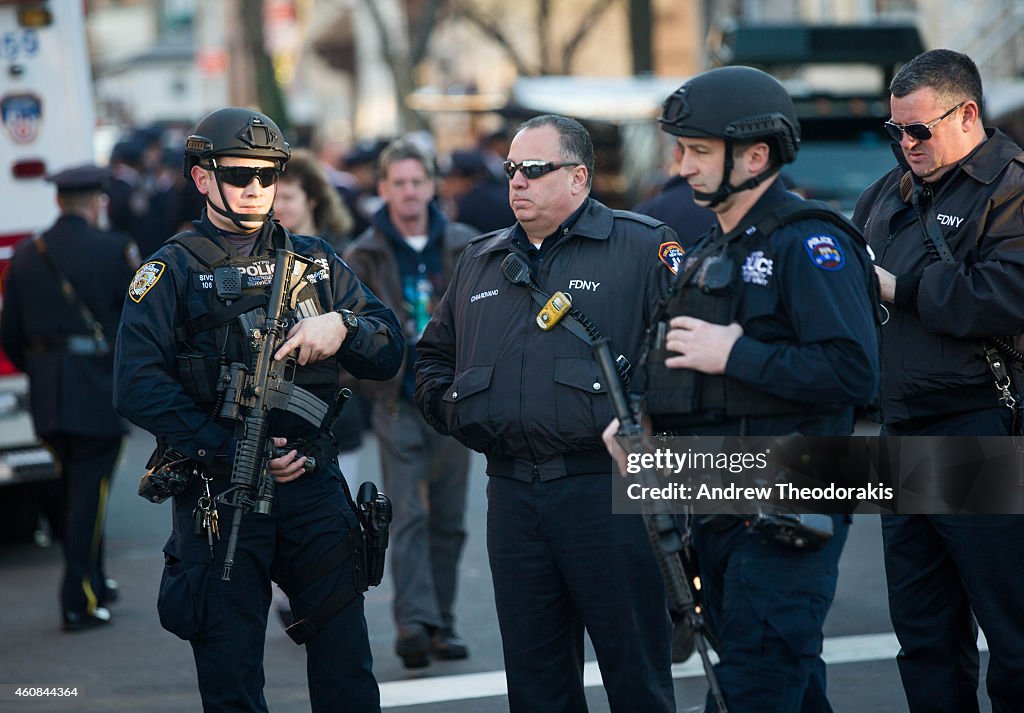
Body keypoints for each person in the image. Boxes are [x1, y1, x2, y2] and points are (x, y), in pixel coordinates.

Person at [604, 66, 880, 712]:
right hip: (721, 503)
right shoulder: (707, 249)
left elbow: (852, 371)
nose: (682, 165)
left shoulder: (808, 242)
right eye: (681, 148)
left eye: (699, 150)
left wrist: (737, 353)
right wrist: (643, 432)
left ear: (757, 155)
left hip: (788, 502)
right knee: (789, 687)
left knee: (749, 691)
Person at [113, 107, 404, 713]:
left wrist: (343, 325)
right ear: (202, 179)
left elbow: (389, 348)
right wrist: (227, 453)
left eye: (268, 176)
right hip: (223, 498)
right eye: (240, 174)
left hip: (315, 490)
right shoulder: (170, 270)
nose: (256, 188)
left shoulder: (315, 261)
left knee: (347, 665)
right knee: (231, 676)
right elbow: (136, 385)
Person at [415, 114, 676, 713]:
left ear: (580, 177)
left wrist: (651, 428)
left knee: (636, 678)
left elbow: (682, 361)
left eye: (535, 170)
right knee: (536, 687)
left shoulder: (640, 247)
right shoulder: (480, 259)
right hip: (512, 497)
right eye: (511, 170)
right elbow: (431, 360)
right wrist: (460, 413)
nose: (518, 183)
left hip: (608, 492)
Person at [852, 49, 1024, 713]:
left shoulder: (1009, 187)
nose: (906, 144)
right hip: (902, 427)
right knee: (923, 633)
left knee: (1010, 633)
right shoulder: (885, 194)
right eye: (895, 130)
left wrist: (905, 288)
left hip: (976, 424)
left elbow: (1009, 292)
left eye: (918, 130)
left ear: (967, 114)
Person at [343, 139, 477, 669]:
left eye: (417, 182)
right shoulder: (365, 253)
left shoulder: (467, 245)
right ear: (383, 190)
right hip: (396, 400)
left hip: (453, 398)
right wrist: (372, 382)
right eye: (398, 183)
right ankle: (414, 624)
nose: (409, 192)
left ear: (431, 186)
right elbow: (351, 329)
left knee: (449, 516)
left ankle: (441, 623)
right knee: (409, 514)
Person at [1, 164, 139, 631]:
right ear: (97, 200)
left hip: (47, 392)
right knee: (87, 494)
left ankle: (95, 581)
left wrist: (42, 370)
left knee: (78, 492)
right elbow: (136, 325)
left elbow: (11, 336)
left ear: (59, 202)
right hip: (96, 388)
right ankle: (76, 599)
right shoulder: (114, 249)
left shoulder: (24, 254)